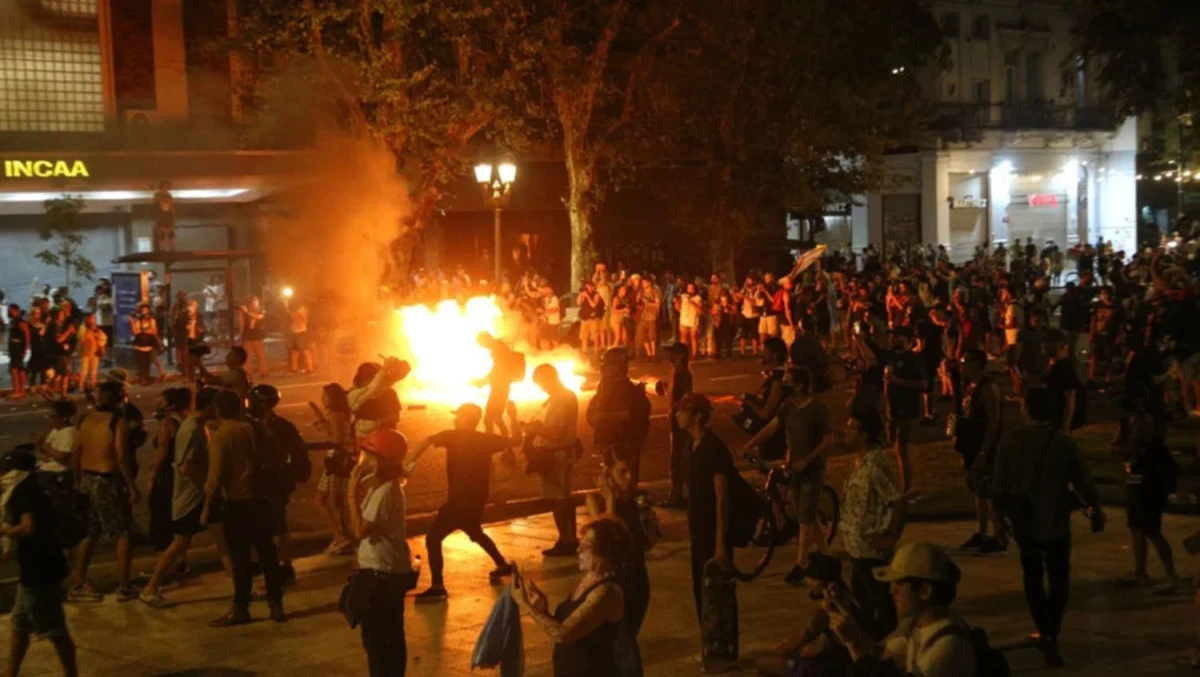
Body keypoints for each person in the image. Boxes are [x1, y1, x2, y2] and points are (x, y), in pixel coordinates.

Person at [992, 387, 1105, 667]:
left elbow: (998, 488)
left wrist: (998, 520)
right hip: (1055, 520)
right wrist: (1095, 509)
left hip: (1025, 521)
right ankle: (1052, 628)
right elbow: (1083, 481)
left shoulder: (1010, 442)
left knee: (1032, 575)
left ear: (1027, 410)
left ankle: (1044, 628)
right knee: (1058, 578)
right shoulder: (1062, 443)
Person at [408, 403, 518, 603]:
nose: (455, 419)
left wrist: (408, 462)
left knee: (433, 538)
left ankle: (437, 586)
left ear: (466, 418)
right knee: (474, 531)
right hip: (477, 497)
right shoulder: (486, 439)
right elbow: (516, 440)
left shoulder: (453, 435)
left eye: (458, 416)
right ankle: (502, 564)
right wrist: (513, 416)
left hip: (459, 500)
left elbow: (427, 440)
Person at [824, 542, 976, 677]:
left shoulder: (947, 648)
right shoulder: (917, 624)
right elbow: (881, 653)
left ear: (924, 591)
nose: (892, 590)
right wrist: (850, 622)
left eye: (899, 583)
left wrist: (853, 644)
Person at [204, 389, 287, 626]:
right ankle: (276, 604)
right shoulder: (254, 428)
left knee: (241, 559)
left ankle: (241, 608)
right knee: (268, 554)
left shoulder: (222, 436)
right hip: (260, 500)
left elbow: (216, 476)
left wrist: (207, 506)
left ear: (218, 410)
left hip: (237, 503)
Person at [742, 368, 833, 585]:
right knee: (804, 516)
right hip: (793, 469)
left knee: (805, 518)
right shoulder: (788, 407)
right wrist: (750, 444)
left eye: (790, 383)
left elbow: (828, 440)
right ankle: (828, 555)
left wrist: (808, 460)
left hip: (812, 471)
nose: (785, 387)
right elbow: (773, 426)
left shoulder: (818, 409)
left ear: (800, 385)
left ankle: (800, 564)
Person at [512, 517, 633, 677]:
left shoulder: (606, 592)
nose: (578, 551)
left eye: (585, 547)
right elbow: (574, 626)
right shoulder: (589, 579)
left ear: (605, 551)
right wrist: (543, 611)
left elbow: (563, 634)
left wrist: (524, 604)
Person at [139, 387, 226, 608]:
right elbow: (186, 466)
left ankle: (243, 586)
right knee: (180, 543)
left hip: (200, 494)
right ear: (209, 407)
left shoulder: (197, 425)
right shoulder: (192, 428)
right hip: (192, 497)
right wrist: (208, 480)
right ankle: (150, 588)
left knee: (223, 539)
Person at [1, 449, 79, 677]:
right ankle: (10, 672)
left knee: (55, 630)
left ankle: (71, 674)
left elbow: (27, 527)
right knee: (20, 626)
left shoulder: (24, 492)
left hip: (40, 571)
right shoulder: (33, 486)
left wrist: (4, 531)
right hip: (38, 567)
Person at [349, 428, 416, 677]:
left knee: (381, 640)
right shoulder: (383, 487)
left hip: (383, 575)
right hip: (382, 571)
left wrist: (350, 493)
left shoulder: (387, 491)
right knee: (386, 637)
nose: (362, 463)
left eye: (369, 458)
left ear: (382, 461)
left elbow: (360, 530)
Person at [68, 381, 140, 602]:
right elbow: (121, 456)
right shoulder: (118, 422)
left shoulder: (86, 420)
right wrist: (131, 486)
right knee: (123, 533)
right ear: (120, 398)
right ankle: (125, 585)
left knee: (91, 533)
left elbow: (77, 453)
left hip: (88, 480)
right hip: (108, 481)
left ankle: (78, 583)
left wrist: (78, 482)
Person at [838, 414, 905, 640]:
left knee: (881, 610)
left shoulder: (875, 464)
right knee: (863, 609)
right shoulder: (861, 462)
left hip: (871, 552)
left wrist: (891, 536)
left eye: (852, 428)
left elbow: (897, 499)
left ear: (865, 434)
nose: (845, 431)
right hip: (858, 550)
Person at [1110, 385, 1178, 593]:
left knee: (1151, 528)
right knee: (1137, 527)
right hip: (1138, 478)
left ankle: (1171, 575)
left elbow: (1126, 449)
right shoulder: (1132, 423)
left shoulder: (1144, 424)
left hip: (1149, 480)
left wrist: (1121, 448)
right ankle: (1140, 571)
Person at [676, 394, 735, 617]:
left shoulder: (713, 448)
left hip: (713, 533)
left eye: (683, 411)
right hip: (698, 532)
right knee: (701, 592)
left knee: (717, 594)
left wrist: (720, 544)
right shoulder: (690, 446)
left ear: (697, 415)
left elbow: (722, 499)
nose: (678, 415)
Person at [586, 444, 651, 638]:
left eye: (632, 471)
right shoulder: (594, 500)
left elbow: (648, 542)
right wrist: (610, 500)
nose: (630, 477)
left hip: (637, 578)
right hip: (612, 582)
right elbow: (608, 544)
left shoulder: (639, 499)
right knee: (617, 641)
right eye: (622, 472)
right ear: (608, 473)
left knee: (628, 638)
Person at [248, 384, 308, 588]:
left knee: (278, 527)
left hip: (275, 482)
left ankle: (285, 567)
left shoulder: (280, 427)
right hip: (260, 481)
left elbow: (297, 454)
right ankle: (256, 563)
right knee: (256, 525)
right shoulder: (253, 424)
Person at [953, 349, 1006, 555]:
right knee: (979, 491)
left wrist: (985, 451)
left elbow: (994, 422)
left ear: (976, 364)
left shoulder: (988, 387)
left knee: (992, 494)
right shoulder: (971, 386)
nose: (962, 365)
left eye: (964, 361)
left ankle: (999, 537)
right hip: (972, 446)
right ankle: (982, 532)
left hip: (986, 448)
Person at [530, 363, 581, 557]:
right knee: (566, 498)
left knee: (558, 499)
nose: (541, 388)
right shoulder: (568, 395)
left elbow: (556, 432)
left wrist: (535, 429)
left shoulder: (560, 399)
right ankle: (571, 538)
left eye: (541, 384)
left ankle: (565, 540)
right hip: (566, 453)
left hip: (556, 455)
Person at [586, 348, 652, 486]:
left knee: (623, 482)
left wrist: (602, 417)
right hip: (609, 441)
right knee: (612, 480)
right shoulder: (606, 385)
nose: (603, 368)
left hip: (621, 443)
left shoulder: (624, 389)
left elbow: (628, 414)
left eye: (608, 364)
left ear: (616, 367)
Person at [314, 383, 357, 554]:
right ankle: (342, 536)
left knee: (326, 501)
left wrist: (322, 424)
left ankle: (341, 536)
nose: (322, 399)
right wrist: (320, 418)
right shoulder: (338, 414)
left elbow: (336, 440)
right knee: (331, 501)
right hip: (336, 461)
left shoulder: (337, 415)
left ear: (333, 398)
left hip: (337, 462)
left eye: (325, 396)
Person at [661, 343, 693, 507]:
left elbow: (684, 400)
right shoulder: (676, 373)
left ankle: (679, 496)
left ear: (681, 356)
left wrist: (671, 401)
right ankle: (678, 494)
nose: (670, 357)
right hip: (675, 422)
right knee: (677, 460)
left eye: (674, 354)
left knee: (679, 461)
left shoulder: (683, 375)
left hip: (680, 424)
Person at [476, 332, 523, 438]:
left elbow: (499, 368)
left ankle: (500, 441)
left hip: (500, 386)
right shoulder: (498, 346)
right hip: (500, 384)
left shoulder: (498, 348)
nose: (482, 346)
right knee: (493, 417)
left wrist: (483, 381)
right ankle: (502, 439)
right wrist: (485, 380)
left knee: (491, 417)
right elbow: (497, 368)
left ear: (486, 340)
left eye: (481, 344)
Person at [130, 302, 161, 385]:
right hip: (140, 344)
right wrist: (132, 323)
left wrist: (149, 331)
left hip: (149, 344)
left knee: (147, 363)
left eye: (145, 310)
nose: (144, 311)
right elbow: (134, 332)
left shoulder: (152, 320)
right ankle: (142, 378)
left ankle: (146, 378)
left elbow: (155, 332)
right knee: (141, 363)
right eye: (142, 310)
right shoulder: (137, 321)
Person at [238, 296, 269, 377]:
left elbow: (258, 317)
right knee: (247, 356)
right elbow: (241, 323)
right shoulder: (245, 312)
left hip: (257, 336)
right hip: (248, 336)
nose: (254, 304)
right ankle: (248, 373)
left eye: (255, 302)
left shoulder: (261, 310)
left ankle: (263, 372)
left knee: (260, 355)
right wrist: (241, 335)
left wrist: (247, 311)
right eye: (252, 302)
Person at [7, 304, 31, 400]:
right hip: (14, 349)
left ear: (14, 310)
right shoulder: (14, 321)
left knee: (15, 370)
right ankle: (21, 391)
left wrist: (25, 349)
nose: (8, 312)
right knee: (18, 369)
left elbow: (27, 335)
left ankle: (18, 391)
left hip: (18, 349)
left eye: (10, 310)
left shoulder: (20, 321)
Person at [578, 280, 607, 358]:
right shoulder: (583, 294)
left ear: (592, 287)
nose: (588, 288)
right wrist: (581, 296)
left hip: (593, 319)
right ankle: (584, 353)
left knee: (594, 337)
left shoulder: (596, 294)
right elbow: (578, 303)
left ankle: (596, 352)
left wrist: (587, 296)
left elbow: (593, 305)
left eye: (589, 286)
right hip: (584, 319)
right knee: (584, 337)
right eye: (587, 287)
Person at [77, 313, 106, 391]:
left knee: (94, 371)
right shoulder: (82, 328)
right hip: (85, 352)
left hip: (95, 352)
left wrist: (98, 337)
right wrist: (90, 331)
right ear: (87, 319)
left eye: (94, 318)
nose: (93, 320)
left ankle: (93, 385)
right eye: (92, 318)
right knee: (84, 371)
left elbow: (103, 337)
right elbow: (82, 340)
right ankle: (80, 386)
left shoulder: (96, 328)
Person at [635, 277, 661, 360]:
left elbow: (657, 305)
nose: (643, 284)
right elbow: (638, 304)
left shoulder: (654, 292)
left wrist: (647, 303)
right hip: (642, 316)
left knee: (652, 336)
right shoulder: (641, 292)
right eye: (642, 283)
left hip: (651, 316)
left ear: (649, 283)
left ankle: (654, 354)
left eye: (644, 283)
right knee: (643, 336)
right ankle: (649, 354)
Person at [676, 282, 703, 358]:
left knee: (693, 337)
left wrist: (692, 302)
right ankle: (683, 354)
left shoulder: (698, 298)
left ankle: (694, 354)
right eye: (688, 288)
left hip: (693, 320)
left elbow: (700, 311)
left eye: (691, 288)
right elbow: (678, 308)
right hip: (684, 320)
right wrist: (677, 302)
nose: (690, 289)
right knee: (683, 338)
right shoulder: (683, 296)